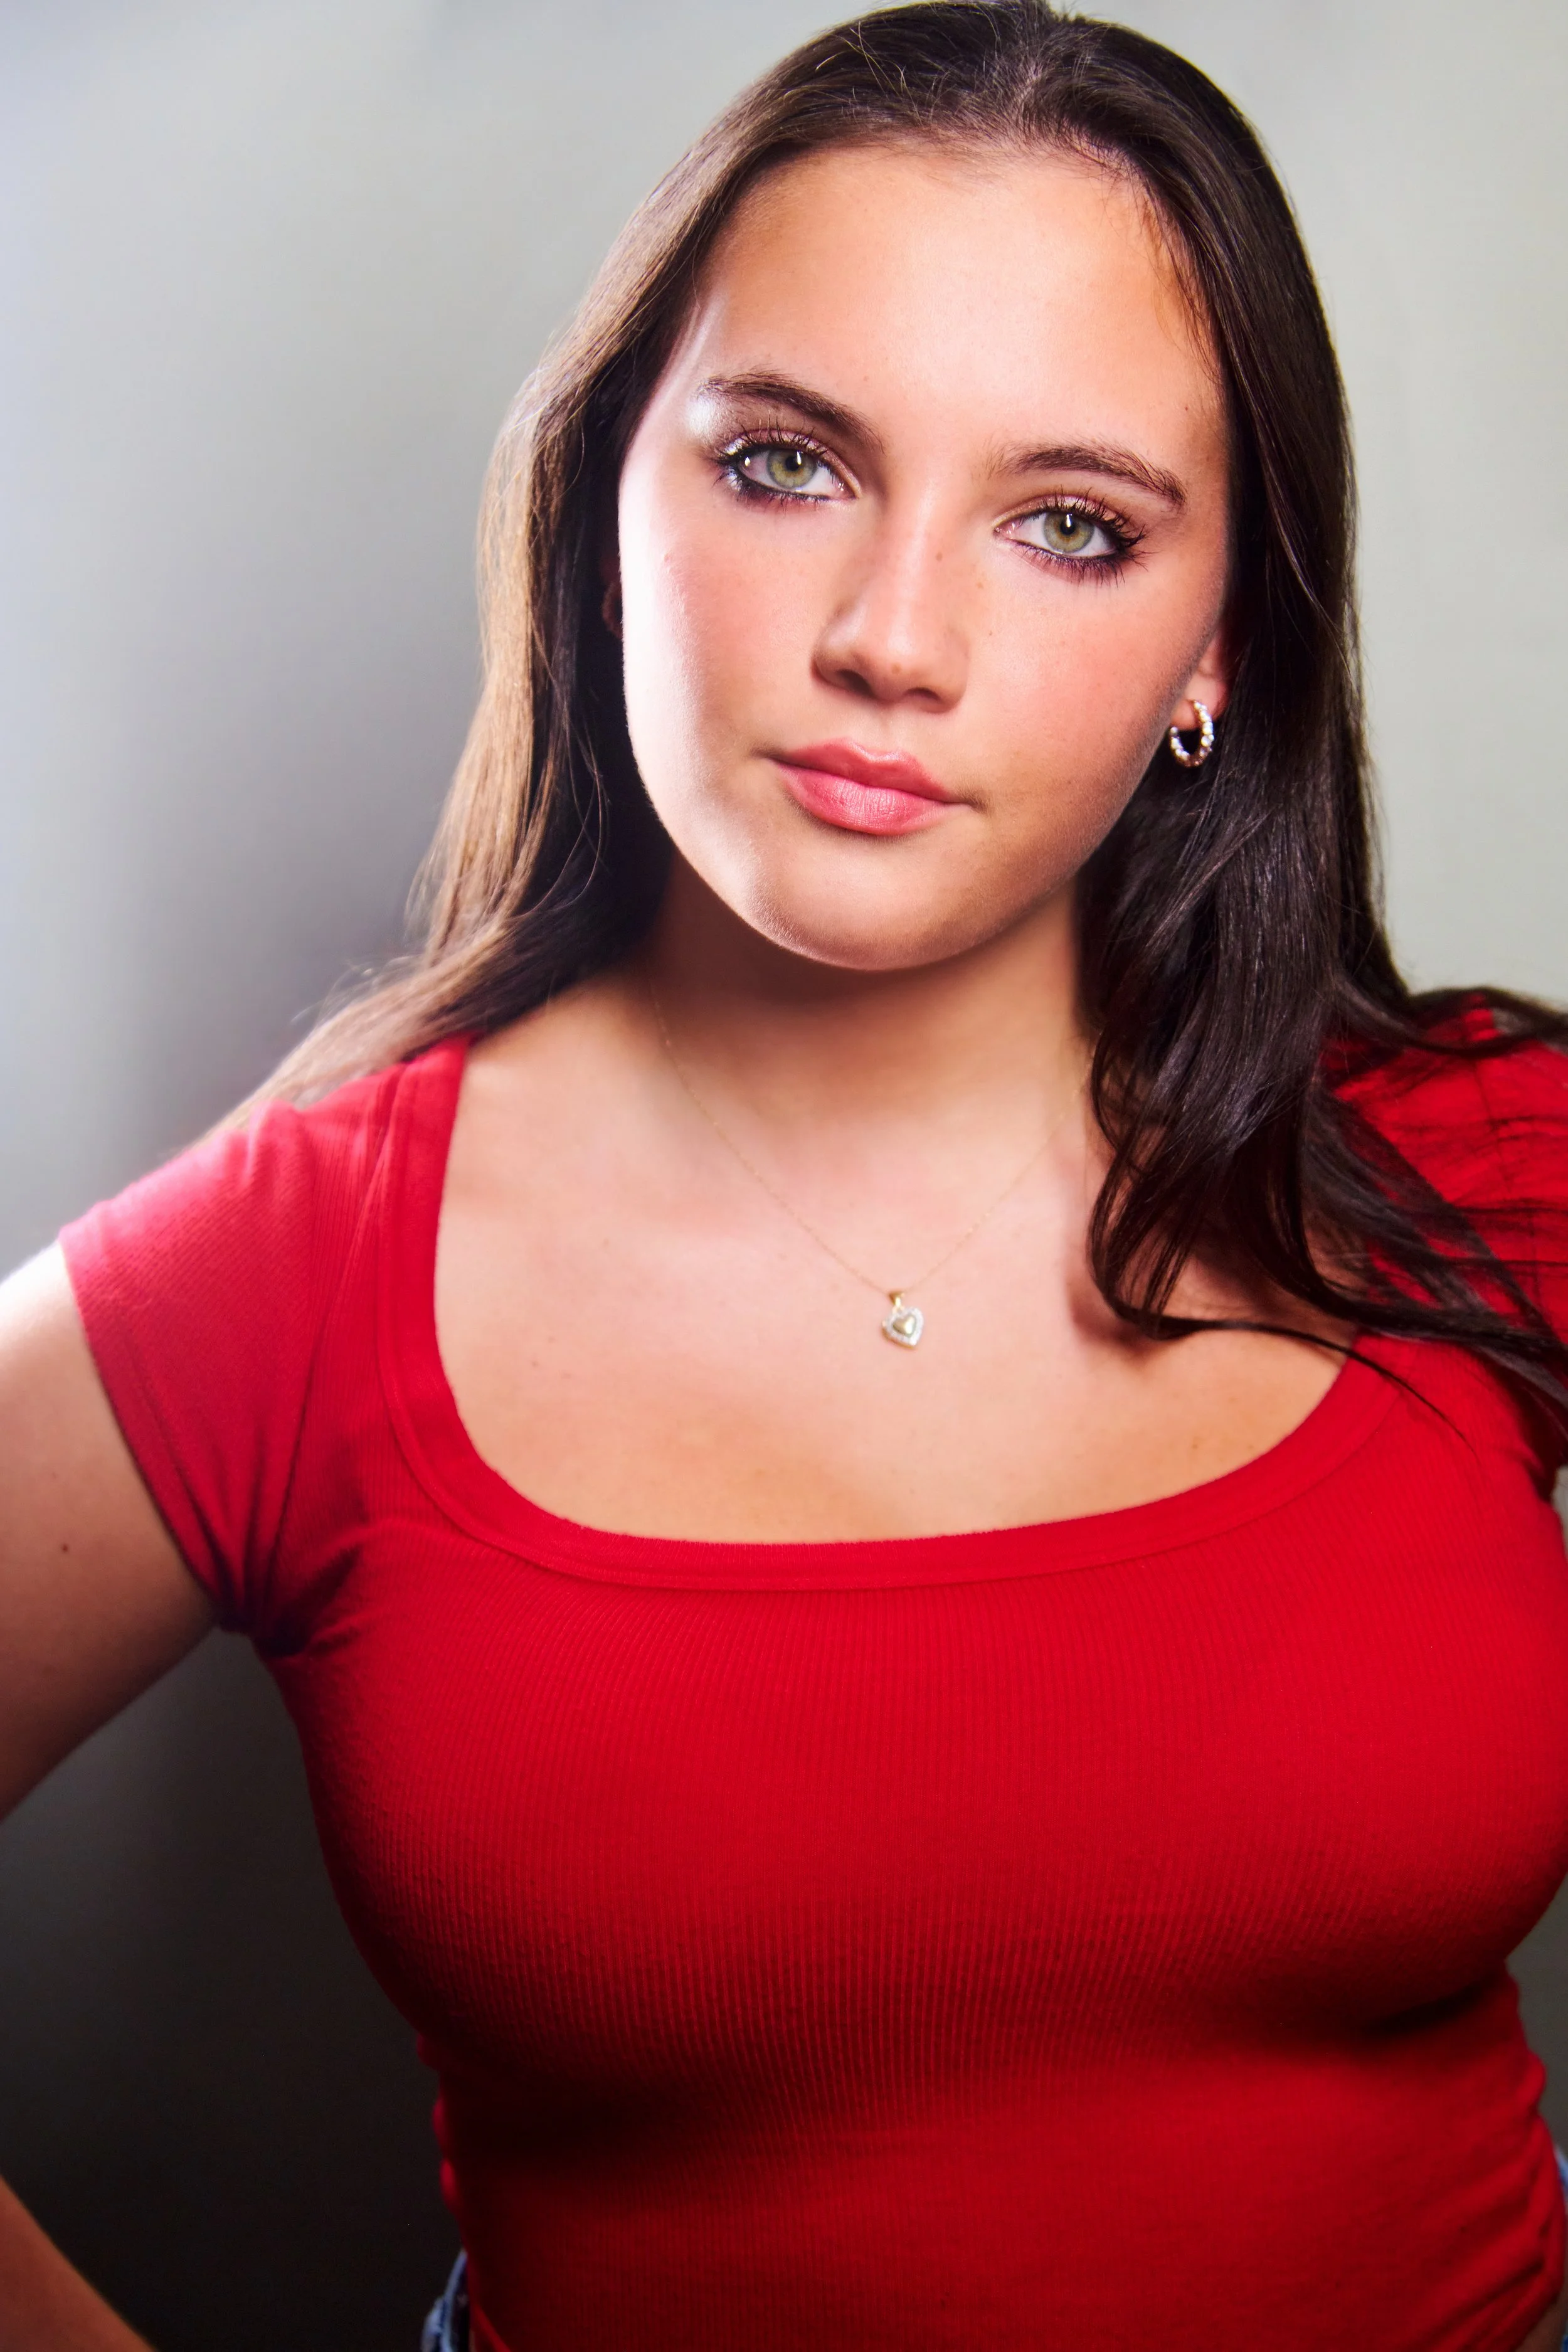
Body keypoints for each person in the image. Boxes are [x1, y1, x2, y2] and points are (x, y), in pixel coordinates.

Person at [4, 2, 1568, 2345]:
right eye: (784, 465)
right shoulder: (314, 1259)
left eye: (1067, 526)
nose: (889, 639)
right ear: (606, 489)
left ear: (1212, 648)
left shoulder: (1472, 1159)